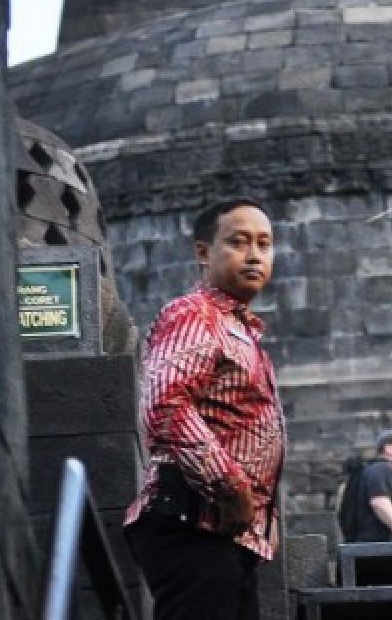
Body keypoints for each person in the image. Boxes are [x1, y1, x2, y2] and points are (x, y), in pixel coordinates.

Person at [123, 197, 286, 620]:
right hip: (192, 524)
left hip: (227, 532)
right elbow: (166, 406)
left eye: (264, 244)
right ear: (203, 252)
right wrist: (230, 488)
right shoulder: (193, 316)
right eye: (238, 242)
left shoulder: (240, 330)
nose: (254, 255)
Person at [353, 429, 392, 542]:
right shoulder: (382, 468)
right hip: (381, 549)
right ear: (389, 448)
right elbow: (379, 502)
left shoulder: (381, 470)